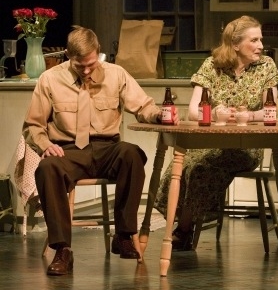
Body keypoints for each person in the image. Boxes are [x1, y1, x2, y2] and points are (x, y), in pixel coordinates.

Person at [23, 26, 179, 276]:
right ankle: (63, 249)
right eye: (79, 65)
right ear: (68, 57)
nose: (86, 71)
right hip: (68, 151)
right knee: (46, 167)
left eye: (91, 64)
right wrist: (45, 145)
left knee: (131, 153)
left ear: (98, 53)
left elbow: (143, 106)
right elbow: (33, 125)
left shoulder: (116, 74)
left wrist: (159, 115)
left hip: (107, 148)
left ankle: (124, 235)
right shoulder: (50, 79)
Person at [153, 15, 278, 250]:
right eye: (254, 40)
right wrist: (214, 114)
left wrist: (249, 116)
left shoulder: (266, 66)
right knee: (180, 166)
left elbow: (270, 111)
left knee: (202, 169)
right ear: (235, 44)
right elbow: (193, 111)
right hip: (208, 142)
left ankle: (183, 229)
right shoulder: (212, 65)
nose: (261, 46)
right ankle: (180, 223)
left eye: (260, 40)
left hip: (245, 146)